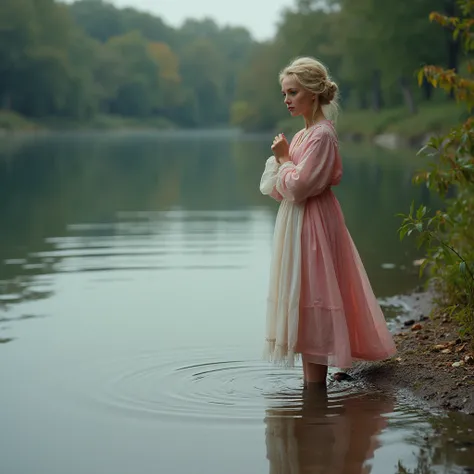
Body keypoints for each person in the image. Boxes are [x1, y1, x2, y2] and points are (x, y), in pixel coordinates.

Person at [259, 57, 396, 387]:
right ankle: (312, 391)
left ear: (312, 93)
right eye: (284, 94)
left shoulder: (321, 135)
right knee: (303, 293)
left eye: (293, 92)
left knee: (314, 292)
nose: (287, 99)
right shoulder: (303, 134)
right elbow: (281, 191)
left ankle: (315, 390)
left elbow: (299, 186)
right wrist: (286, 160)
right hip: (297, 221)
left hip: (314, 223)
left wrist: (283, 159)